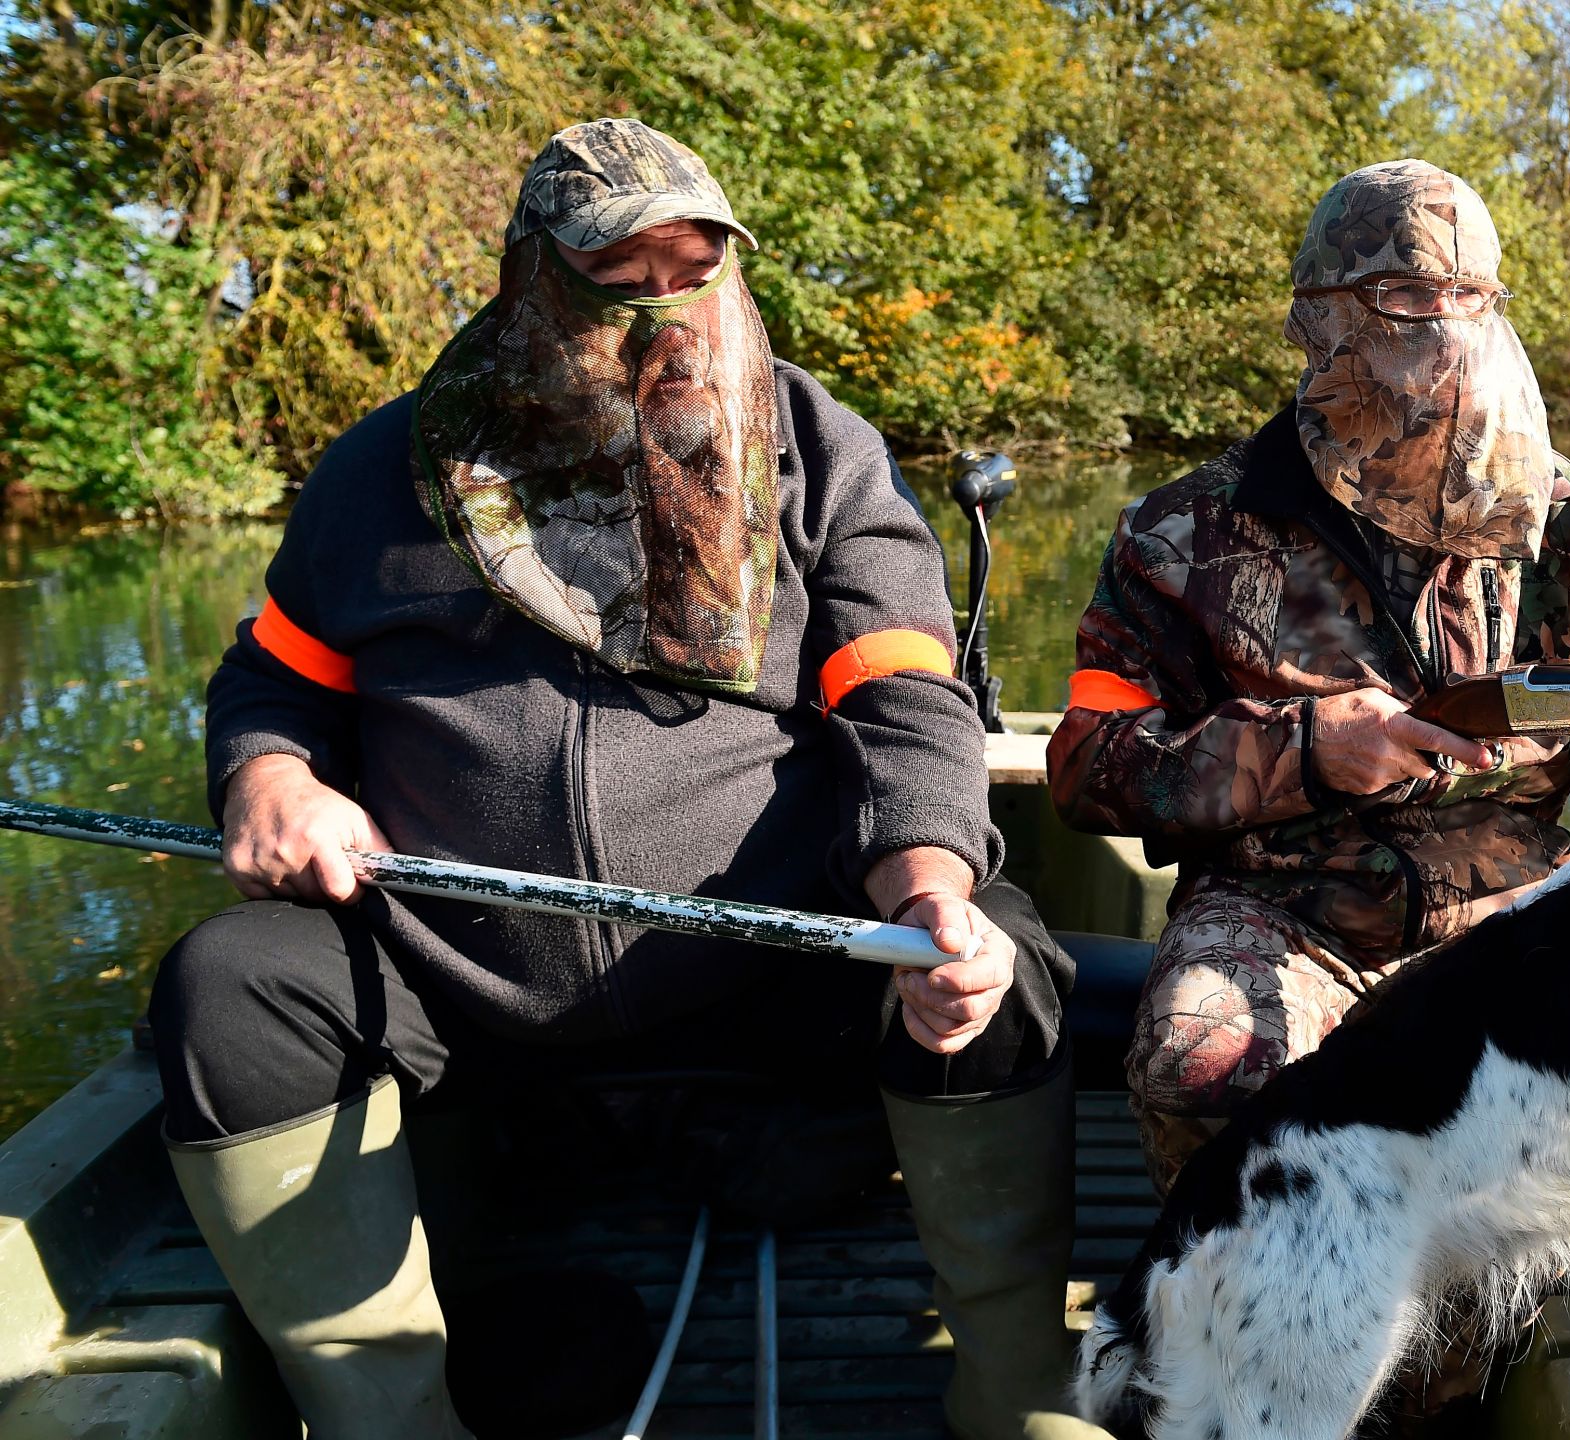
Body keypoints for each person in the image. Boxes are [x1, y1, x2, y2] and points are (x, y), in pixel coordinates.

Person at [148, 119, 1078, 1440]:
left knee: (1007, 963)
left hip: (775, 992)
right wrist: (271, 775)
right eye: (619, 278)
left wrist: (925, 879)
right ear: (531, 282)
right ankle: (391, 1416)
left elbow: (903, 690)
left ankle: (1021, 1395)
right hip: (466, 1020)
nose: (668, 312)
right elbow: (273, 681)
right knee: (230, 990)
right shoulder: (380, 472)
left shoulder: (816, 442)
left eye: (695, 270)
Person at [1047, 158, 1570, 1200]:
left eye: (1468, 297)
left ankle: (1448, 1363)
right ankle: (1221, 1321)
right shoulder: (1184, 533)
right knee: (1200, 1065)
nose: (1442, 325)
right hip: (1277, 903)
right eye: (1404, 295)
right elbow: (1085, 769)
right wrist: (1302, 751)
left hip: (1518, 909)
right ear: (1317, 317)